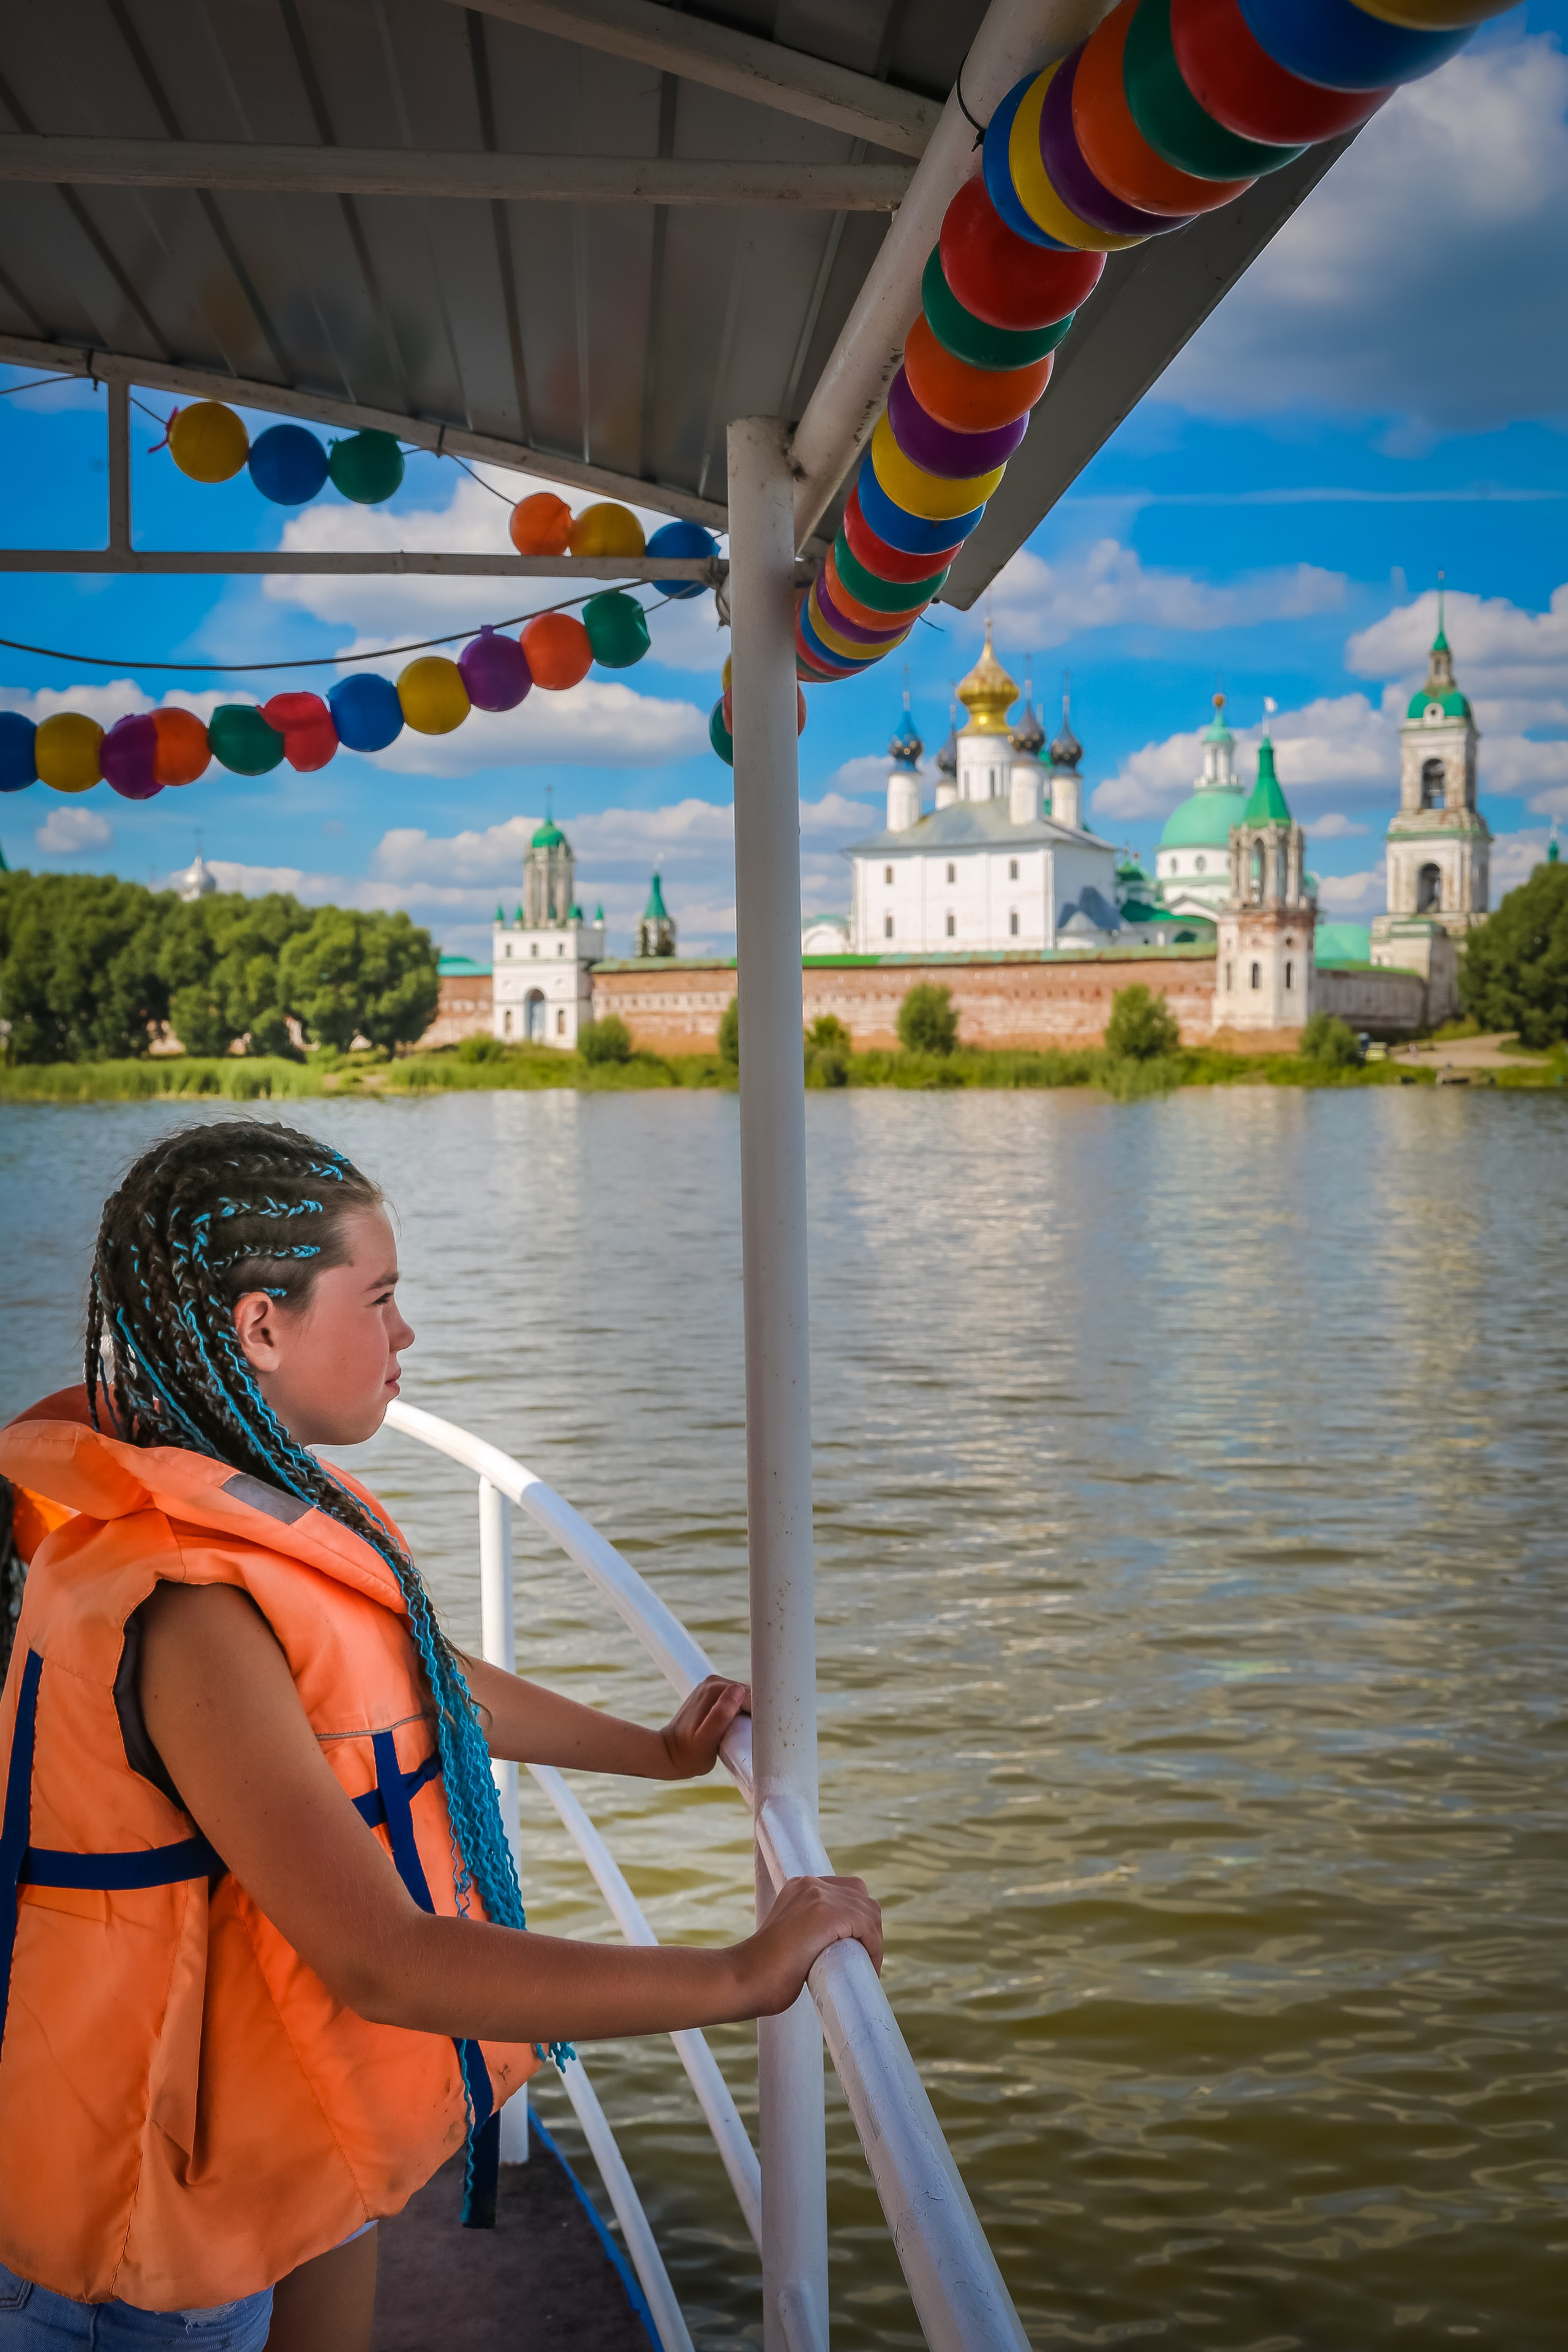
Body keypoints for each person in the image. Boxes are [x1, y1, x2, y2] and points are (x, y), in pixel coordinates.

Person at [0, 1122, 879, 2351]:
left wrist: (655, 1751)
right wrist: (738, 1973)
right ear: (262, 1327)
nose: (406, 1335)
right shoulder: (191, 1612)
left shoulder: (252, 1499)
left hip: (254, 2114)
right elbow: (385, 1960)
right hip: (139, 2233)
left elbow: (418, 1684)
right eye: (382, 1298)